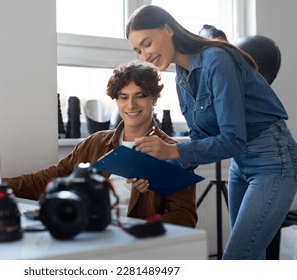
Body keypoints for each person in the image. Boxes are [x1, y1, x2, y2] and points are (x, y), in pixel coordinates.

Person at [125, 5, 297, 259]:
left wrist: (170, 150)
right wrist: (155, 171)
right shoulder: (181, 75)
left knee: (238, 257)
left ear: (168, 29)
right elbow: (200, 139)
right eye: (138, 51)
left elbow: (233, 139)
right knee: (251, 258)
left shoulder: (216, 59)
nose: (145, 55)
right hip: (241, 164)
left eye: (147, 43)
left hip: (274, 161)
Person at [0, 61, 197, 227]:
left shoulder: (173, 151)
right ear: (116, 101)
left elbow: (185, 217)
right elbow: (41, 181)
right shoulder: (95, 143)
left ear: (154, 98)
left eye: (140, 97)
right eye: (123, 98)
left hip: (131, 243)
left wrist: (143, 225)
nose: (131, 106)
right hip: (86, 231)